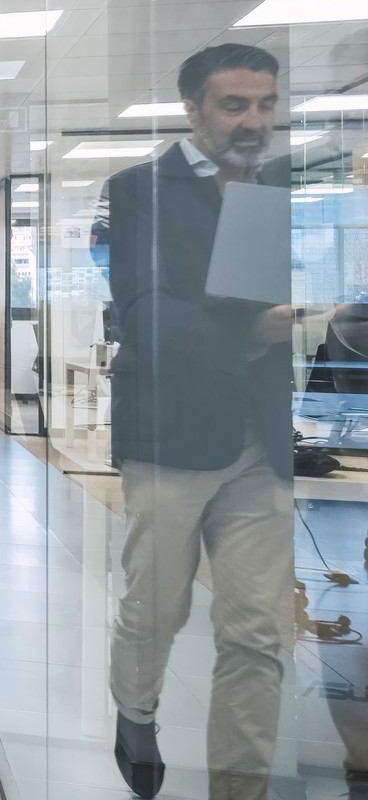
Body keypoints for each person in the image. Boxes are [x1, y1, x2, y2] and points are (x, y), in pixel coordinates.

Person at [95, 44, 294, 800]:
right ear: (192, 108)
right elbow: (143, 311)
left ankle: (238, 789)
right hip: (172, 435)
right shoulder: (139, 190)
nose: (253, 121)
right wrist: (251, 331)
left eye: (265, 104)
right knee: (158, 606)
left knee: (257, 630)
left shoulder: (280, 187)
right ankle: (134, 711)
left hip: (261, 439)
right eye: (234, 105)